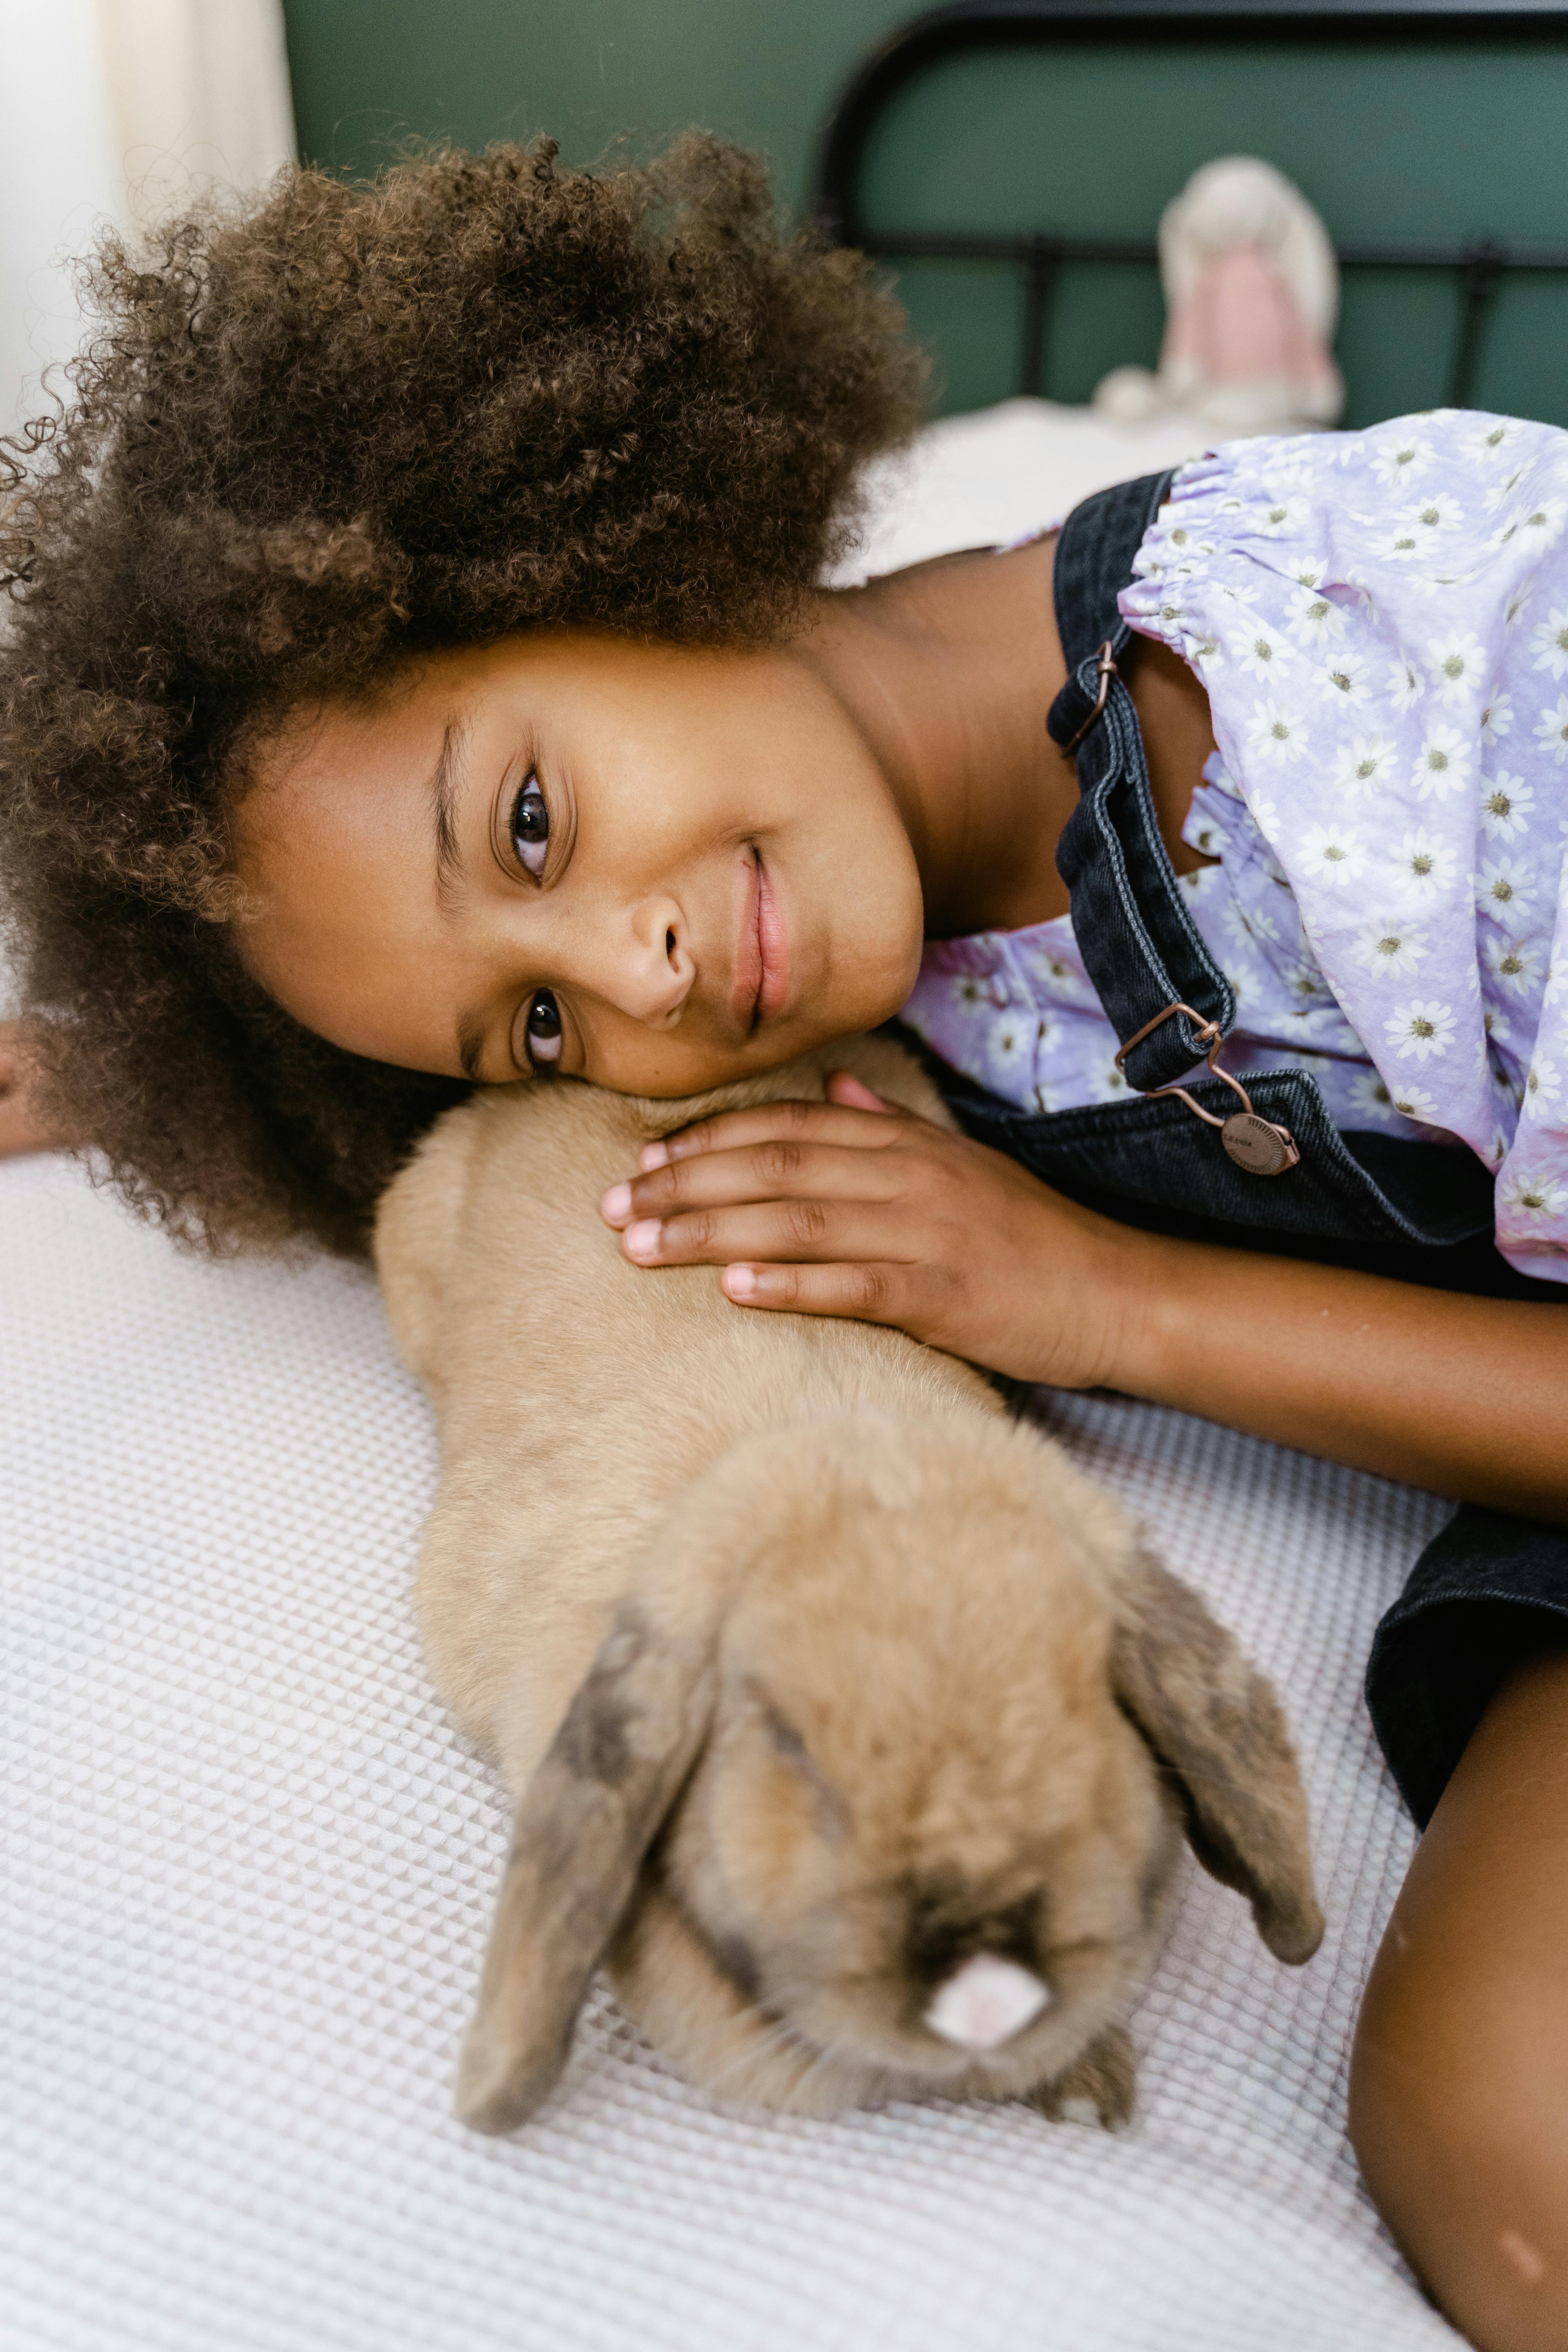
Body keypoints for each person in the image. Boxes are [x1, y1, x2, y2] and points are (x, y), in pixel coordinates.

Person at [2, 137, 1565, 2352]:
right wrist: (174, 1071)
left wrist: (1112, 1302)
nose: (633, 977)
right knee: (1489, 2124)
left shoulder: (1439, 662)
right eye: (533, 1018)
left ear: (619, 542)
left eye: (530, 822)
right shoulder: (823, 917)